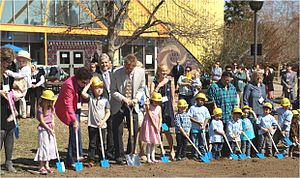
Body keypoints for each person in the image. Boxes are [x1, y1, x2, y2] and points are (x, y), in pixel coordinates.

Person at [110, 54, 145, 165]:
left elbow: (141, 88)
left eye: (130, 69)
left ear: (134, 66)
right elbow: (113, 90)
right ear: (124, 64)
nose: (128, 70)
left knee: (133, 130)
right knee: (118, 130)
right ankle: (119, 155)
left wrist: (136, 99)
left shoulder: (141, 72)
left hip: (133, 105)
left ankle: (130, 153)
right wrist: (123, 99)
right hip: (119, 104)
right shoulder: (116, 73)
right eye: (126, 68)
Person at [54, 67, 93, 168]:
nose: (85, 85)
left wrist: (88, 83)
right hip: (66, 109)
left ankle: (73, 157)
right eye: (83, 83)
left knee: (76, 132)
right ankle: (73, 159)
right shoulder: (69, 85)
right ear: (78, 79)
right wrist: (74, 120)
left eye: (86, 83)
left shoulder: (83, 81)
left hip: (76, 106)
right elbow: (68, 105)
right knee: (75, 131)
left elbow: (88, 83)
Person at [81, 76, 110, 167]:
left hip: (102, 125)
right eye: (96, 88)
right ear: (93, 89)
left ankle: (102, 158)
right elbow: (83, 93)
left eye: (100, 88)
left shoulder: (105, 100)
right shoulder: (91, 99)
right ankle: (91, 159)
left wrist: (103, 121)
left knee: (101, 143)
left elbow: (108, 112)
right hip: (92, 125)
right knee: (92, 143)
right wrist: (89, 84)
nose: (99, 90)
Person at [150, 64, 175, 160]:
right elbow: (151, 95)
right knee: (158, 130)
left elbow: (172, 97)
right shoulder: (154, 82)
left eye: (165, 71)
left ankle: (172, 149)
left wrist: (172, 109)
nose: (164, 73)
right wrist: (159, 86)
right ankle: (161, 151)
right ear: (158, 72)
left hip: (167, 110)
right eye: (162, 71)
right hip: (157, 110)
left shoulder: (170, 82)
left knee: (166, 130)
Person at [94, 53, 114, 159]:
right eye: (102, 63)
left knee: (111, 129)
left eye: (106, 62)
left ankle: (110, 151)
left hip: (113, 106)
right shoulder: (95, 75)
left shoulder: (113, 74)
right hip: (101, 106)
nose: (104, 65)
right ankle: (100, 151)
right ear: (99, 64)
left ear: (109, 63)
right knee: (100, 129)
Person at [0, 48, 17, 173]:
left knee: (10, 131)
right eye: (7, 62)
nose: (9, 64)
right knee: (1, 133)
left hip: (9, 105)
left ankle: (8, 161)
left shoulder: (9, 71)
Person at [34, 90, 57, 175]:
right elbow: (42, 121)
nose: (51, 102)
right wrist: (48, 128)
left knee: (50, 147)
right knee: (44, 147)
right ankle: (41, 166)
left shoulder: (51, 107)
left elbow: (52, 116)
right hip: (43, 129)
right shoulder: (40, 109)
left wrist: (53, 124)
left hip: (50, 128)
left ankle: (47, 165)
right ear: (45, 100)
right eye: (50, 101)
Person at [5, 50, 32, 119]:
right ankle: (16, 112)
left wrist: (8, 72)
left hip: (21, 87)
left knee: (10, 96)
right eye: (19, 61)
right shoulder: (20, 67)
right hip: (19, 86)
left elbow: (18, 76)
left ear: (27, 61)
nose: (21, 63)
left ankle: (15, 112)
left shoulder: (26, 69)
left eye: (23, 61)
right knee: (10, 97)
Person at [139, 92, 162, 163]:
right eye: (155, 101)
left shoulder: (159, 108)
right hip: (150, 126)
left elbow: (160, 117)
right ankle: (148, 158)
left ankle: (153, 157)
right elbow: (151, 117)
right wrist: (155, 126)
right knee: (149, 142)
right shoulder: (149, 107)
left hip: (156, 126)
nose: (157, 103)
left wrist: (159, 126)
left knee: (153, 143)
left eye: (158, 102)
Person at [188, 93, 210, 158]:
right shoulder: (192, 108)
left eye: (203, 100)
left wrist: (204, 125)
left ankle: (203, 154)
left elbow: (207, 117)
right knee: (195, 142)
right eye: (200, 100)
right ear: (196, 100)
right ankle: (196, 154)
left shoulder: (205, 109)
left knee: (202, 143)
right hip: (194, 128)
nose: (201, 102)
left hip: (202, 129)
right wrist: (197, 122)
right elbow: (189, 117)